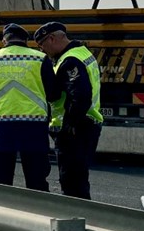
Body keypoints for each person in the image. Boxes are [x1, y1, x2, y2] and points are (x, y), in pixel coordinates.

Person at [0, 24, 59, 191]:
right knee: (37, 180)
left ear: (4, 40)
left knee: (0, 180)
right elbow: (53, 93)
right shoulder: (40, 58)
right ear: (26, 40)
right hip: (34, 126)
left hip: (1, 125)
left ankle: (2, 215)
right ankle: (38, 215)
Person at [34, 22, 104, 200]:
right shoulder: (82, 54)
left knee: (72, 182)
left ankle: (78, 219)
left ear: (52, 39)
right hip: (86, 125)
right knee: (79, 179)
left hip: (76, 129)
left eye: (42, 45)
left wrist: (69, 125)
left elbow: (80, 97)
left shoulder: (70, 61)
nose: (43, 50)